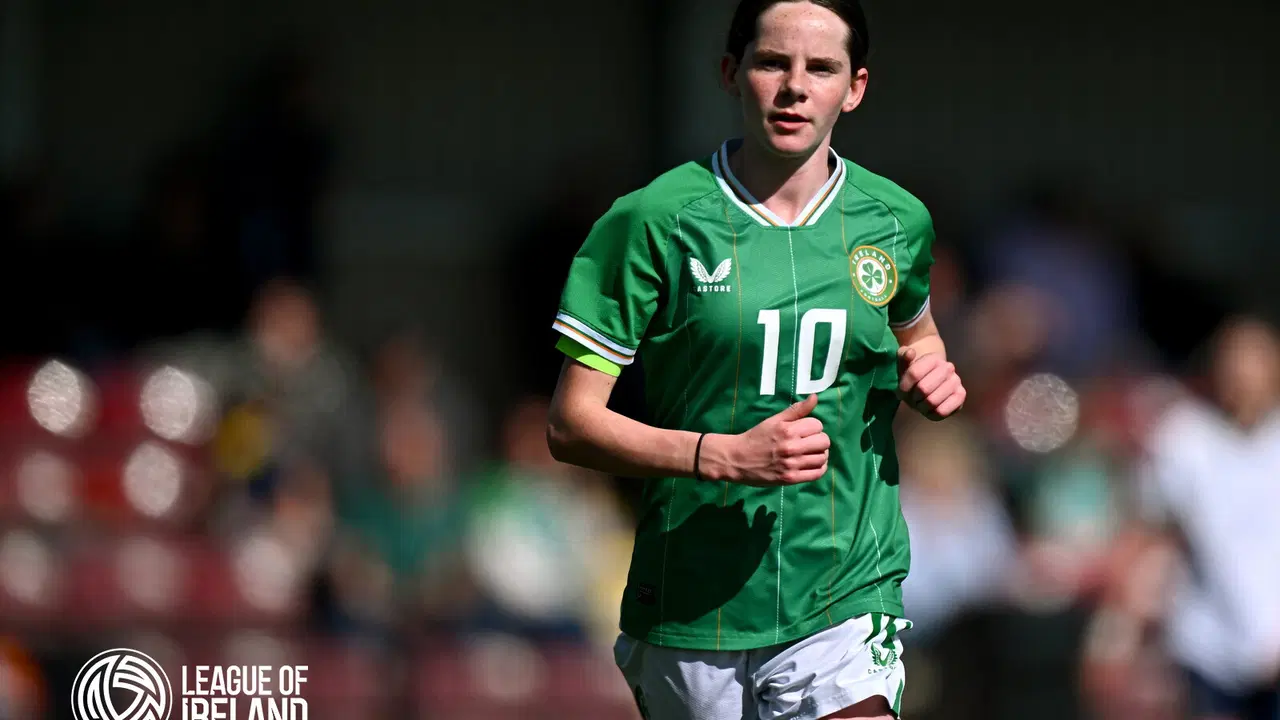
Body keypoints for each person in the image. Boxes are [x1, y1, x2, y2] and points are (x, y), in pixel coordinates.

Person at [544, 1, 965, 718]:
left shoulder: (896, 221)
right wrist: (722, 456)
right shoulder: (654, 218)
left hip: (844, 589)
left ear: (855, 87)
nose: (795, 86)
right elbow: (570, 423)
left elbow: (916, 337)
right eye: (773, 62)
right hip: (694, 600)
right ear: (731, 73)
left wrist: (931, 371)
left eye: (822, 67)